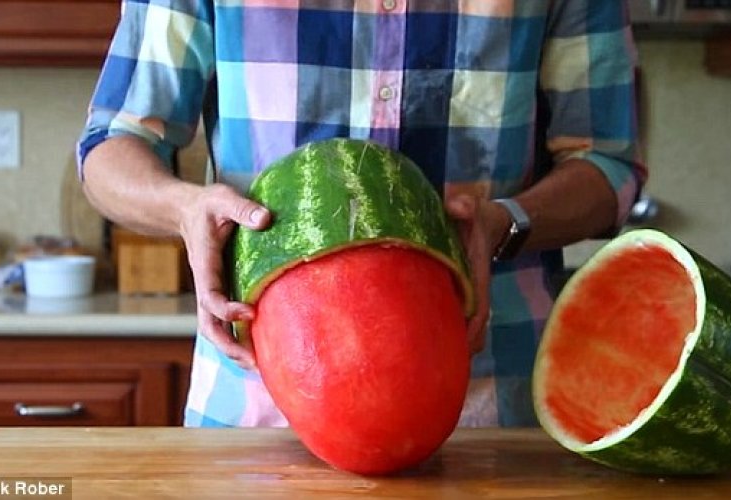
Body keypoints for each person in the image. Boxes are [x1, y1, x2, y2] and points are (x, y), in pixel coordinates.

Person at [77, 0, 647, 427]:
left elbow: (609, 164)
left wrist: (507, 222)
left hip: (493, 407)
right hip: (258, 410)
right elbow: (112, 143)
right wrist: (185, 208)